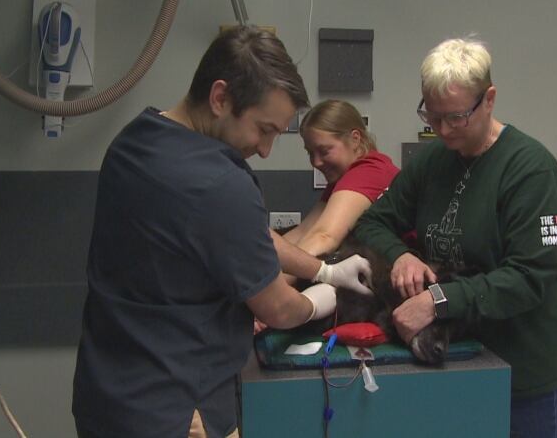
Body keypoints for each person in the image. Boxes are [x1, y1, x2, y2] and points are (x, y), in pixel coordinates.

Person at [72, 26, 371, 438]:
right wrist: (320, 301)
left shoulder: (133, 143)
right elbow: (277, 309)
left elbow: (245, 236)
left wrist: (323, 271)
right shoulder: (218, 182)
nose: (266, 150)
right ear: (220, 98)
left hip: (106, 396)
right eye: (264, 129)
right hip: (175, 411)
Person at [354, 35, 557, 437]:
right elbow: (372, 223)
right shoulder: (433, 162)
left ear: (488, 99)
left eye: (456, 117)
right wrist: (400, 255)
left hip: (526, 371)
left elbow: (530, 278)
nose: (443, 129)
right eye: (432, 116)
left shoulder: (530, 169)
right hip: (460, 362)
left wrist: (438, 301)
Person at [282, 99, 400, 257]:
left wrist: (272, 281)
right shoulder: (342, 178)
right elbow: (304, 231)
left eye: (324, 151)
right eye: (310, 153)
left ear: (355, 139)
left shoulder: (370, 171)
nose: (316, 162)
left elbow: (323, 237)